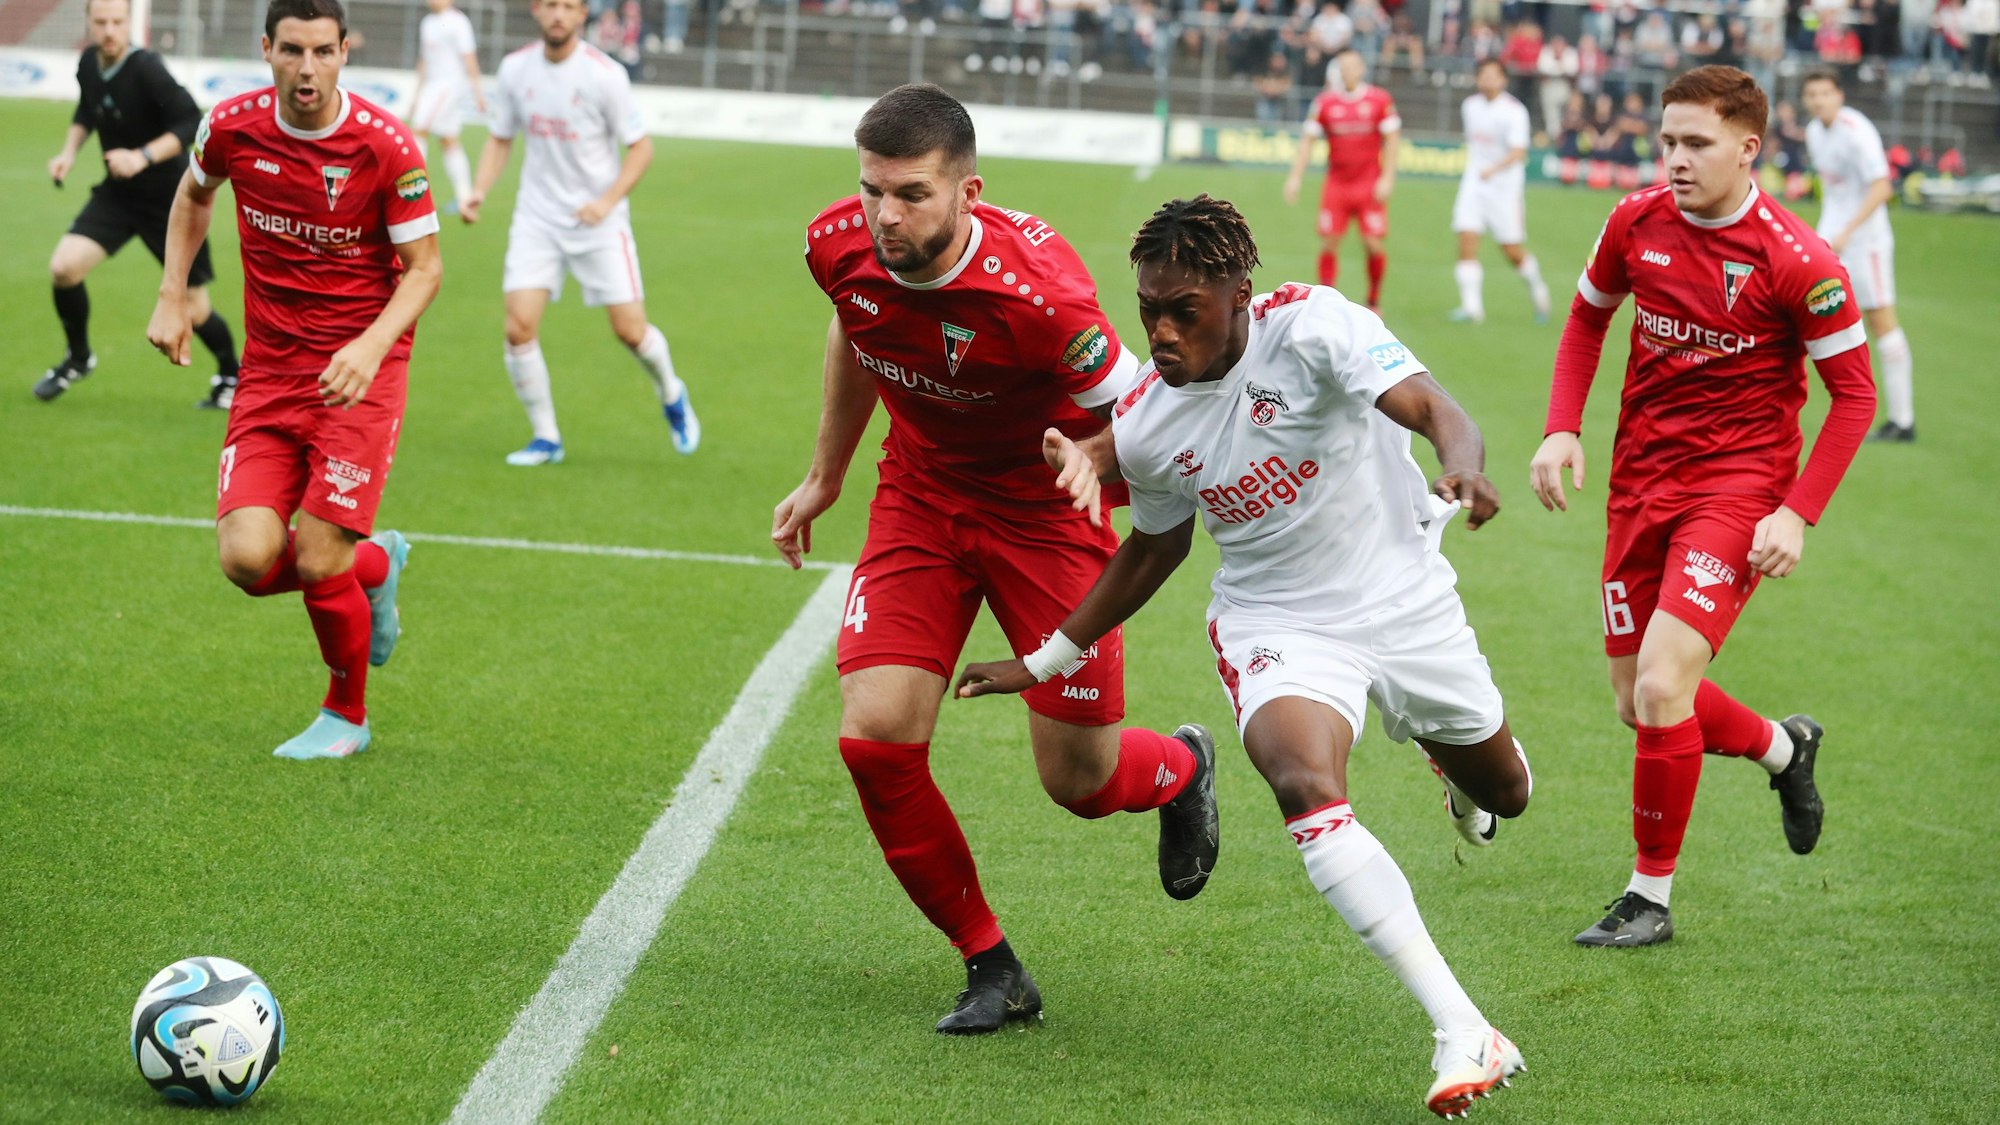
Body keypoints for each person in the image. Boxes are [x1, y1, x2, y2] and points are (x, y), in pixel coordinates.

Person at [956, 195, 1533, 1119]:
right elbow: (1154, 548)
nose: (1162, 329)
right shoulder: (1146, 419)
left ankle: (1453, 767)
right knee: (1304, 782)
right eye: (1149, 308)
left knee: (1507, 792)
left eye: (1184, 309)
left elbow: (1432, 406)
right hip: (1280, 622)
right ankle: (1464, 1026)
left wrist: (1460, 463)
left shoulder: (1313, 328)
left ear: (1239, 296)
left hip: (1402, 592)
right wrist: (1045, 657)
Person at [771, 83, 1220, 1036]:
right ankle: (991, 962)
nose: (886, 217)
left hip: (1046, 518)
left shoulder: (1046, 297)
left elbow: (1149, 416)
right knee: (875, 734)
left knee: (1081, 784)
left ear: (969, 192)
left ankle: (1181, 767)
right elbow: (859, 331)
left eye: (912, 195)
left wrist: (1099, 470)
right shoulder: (836, 245)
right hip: (921, 500)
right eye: (872, 192)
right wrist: (825, 474)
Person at [1529, 66, 1877, 946]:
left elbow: (1855, 396)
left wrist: (1795, 511)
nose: (1675, 160)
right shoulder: (1634, 221)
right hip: (1639, 482)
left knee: (1659, 682)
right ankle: (1783, 748)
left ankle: (1649, 897)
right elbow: (1584, 319)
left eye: (1696, 144)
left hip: (1738, 488)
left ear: (1747, 147)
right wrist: (1562, 428)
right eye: (1667, 141)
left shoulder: (1800, 261)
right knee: (1636, 699)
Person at [146, 0, 441, 759]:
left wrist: (371, 348)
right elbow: (192, 196)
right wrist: (172, 293)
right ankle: (378, 561)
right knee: (247, 559)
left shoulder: (385, 147)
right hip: (271, 372)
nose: (306, 69)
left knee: (315, 556)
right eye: (291, 52)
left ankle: (346, 714)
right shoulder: (232, 127)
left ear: (346, 51)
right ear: (266, 50)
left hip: (359, 373)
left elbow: (426, 270)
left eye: (321, 52)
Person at [461, 0, 699, 466]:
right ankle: (546, 437)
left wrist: (606, 202)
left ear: (582, 14)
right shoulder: (514, 70)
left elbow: (640, 148)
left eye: (568, 6)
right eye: (550, 5)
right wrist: (478, 190)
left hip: (599, 224)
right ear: (536, 9)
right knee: (518, 328)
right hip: (537, 219)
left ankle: (672, 393)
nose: (558, 15)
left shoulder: (604, 74)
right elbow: (501, 136)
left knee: (630, 332)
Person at [41, 0, 240, 409]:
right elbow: (87, 109)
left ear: (130, 22)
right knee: (64, 268)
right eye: (101, 22)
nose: (109, 30)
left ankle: (231, 374)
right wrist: (68, 153)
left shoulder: (147, 68)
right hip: (119, 195)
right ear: (89, 23)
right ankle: (79, 358)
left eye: (117, 22)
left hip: (172, 201)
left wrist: (141, 157)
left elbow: (190, 122)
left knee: (194, 306)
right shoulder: (88, 64)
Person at [1802, 69, 1916, 441]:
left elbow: (1882, 187)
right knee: (1801, 314)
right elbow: (1834, 193)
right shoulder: (1814, 133)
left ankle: (1902, 420)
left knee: (1881, 320)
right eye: (1812, 94)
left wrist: (1847, 232)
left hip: (1866, 243)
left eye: (1825, 93)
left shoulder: (1857, 130)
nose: (1819, 100)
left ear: (1839, 95)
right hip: (1830, 240)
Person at [1284, 49, 1400, 309]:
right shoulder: (1325, 102)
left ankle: (1373, 299)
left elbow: (1393, 140)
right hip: (1337, 184)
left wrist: (1388, 178)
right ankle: (1327, 305)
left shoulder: (1379, 100)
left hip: (1369, 183)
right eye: (1343, 67)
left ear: (1361, 69)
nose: (1347, 71)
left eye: (1352, 66)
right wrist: (1295, 178)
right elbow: (1307, 142)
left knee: (1372, 243)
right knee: (1329, 242)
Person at [1449, 58, 1551, 324]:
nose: (1487, 80)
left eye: (1493, 76)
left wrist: (1493, 169)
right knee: (1466, 240)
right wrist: (1480, 171)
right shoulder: (1470, 106)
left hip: (1504, 189)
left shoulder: (1514, 111)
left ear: (1503, 80)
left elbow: (1518, 151)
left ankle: (1538, 289)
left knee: (1511, 250)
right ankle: (1472, 308)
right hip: (1474, 185)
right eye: (1483, 75)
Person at [410, 0, 486, 215]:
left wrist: (478, 92)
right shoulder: (427, 22)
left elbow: (469, 58)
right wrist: (417, 94)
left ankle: (412, 189)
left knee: (418, 131)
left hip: (449, 86)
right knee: (449, 140)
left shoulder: (458, 22)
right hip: (432, 86)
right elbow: (424, 60)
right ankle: (465, 197)